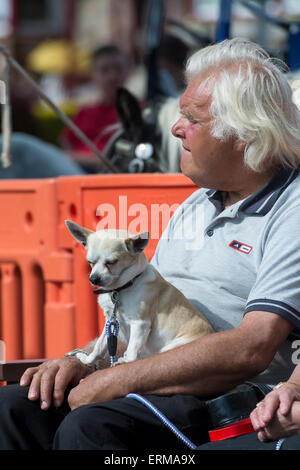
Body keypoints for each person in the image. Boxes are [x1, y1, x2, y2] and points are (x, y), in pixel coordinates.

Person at [1, 37, 300, 450]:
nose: (175, 128)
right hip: (161, 377)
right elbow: (140, 312)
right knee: (11, 407)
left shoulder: (292, 209)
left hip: (230, 398)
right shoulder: (197, 203)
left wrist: (116, 378)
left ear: (244, 135)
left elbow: (252, 348)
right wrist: (78, 360)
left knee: (90, 428)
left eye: (190, 118)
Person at [61, 44, 129, 155]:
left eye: (118, 68)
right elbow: (66, 144)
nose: (112, 76)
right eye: (104, 70)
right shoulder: (85, 112)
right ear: (93, 74)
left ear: (128, 71)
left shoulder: (138, 111)